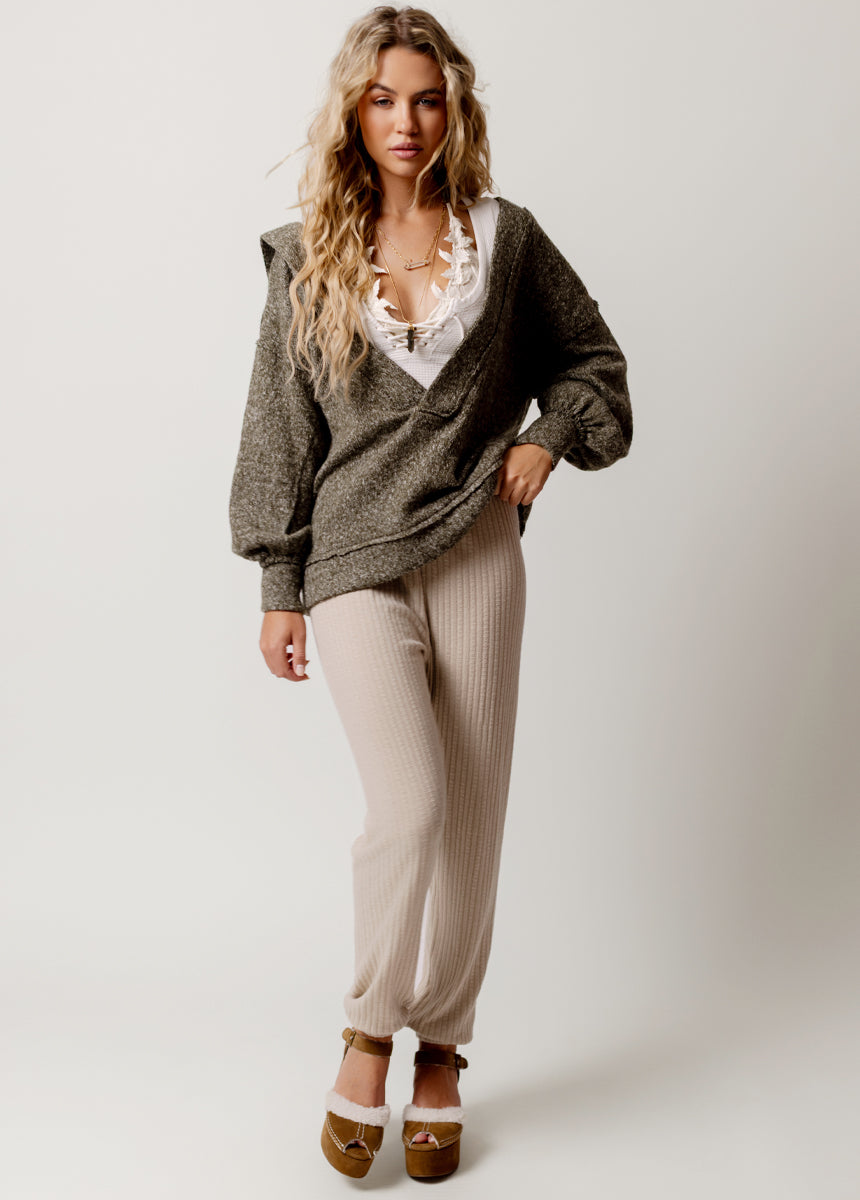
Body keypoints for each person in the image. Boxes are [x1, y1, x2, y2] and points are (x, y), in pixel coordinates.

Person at [229, 4, 632, 1181]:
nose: (404, 121)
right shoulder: (306, 255)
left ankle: (442, 1052)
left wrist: (547, 437)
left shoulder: (506, 241)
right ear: (352, 113)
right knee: (408, 807)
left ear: (452, 109)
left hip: (477, 553)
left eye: (425, 98)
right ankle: (367, 1034)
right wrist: (279, 581)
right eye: (381, 99)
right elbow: (279, 427)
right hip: (353, 560)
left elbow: (593, 361)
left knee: (470, 820)